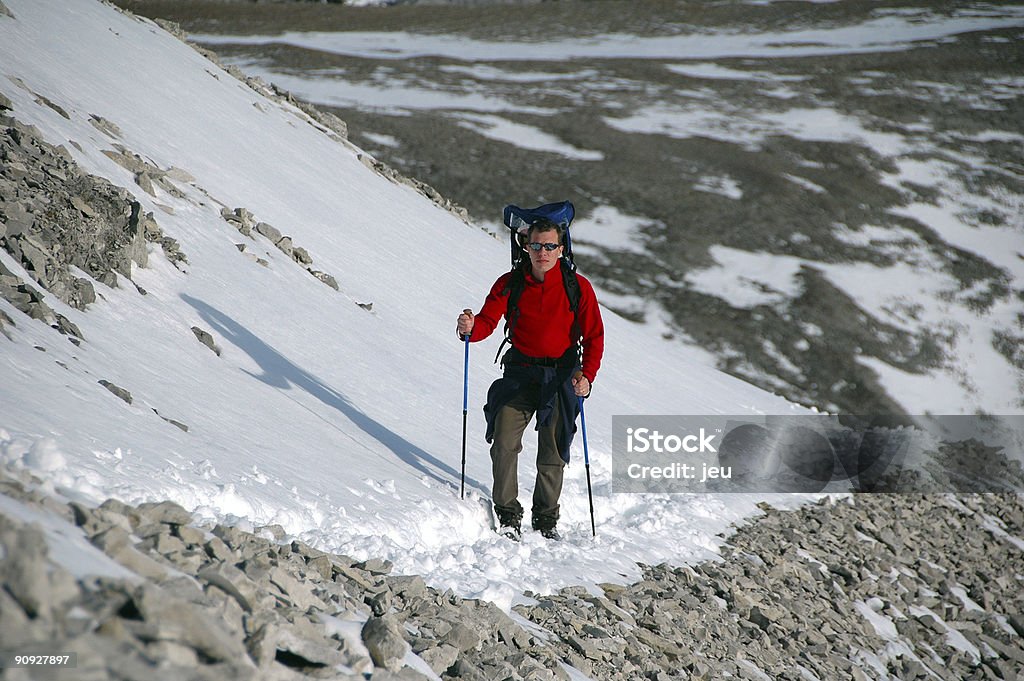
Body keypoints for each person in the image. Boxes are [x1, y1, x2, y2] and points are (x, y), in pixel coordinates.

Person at [457, 218, 604, 540]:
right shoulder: (510, 283)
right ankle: (508, 512)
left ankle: (546, 519)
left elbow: (594, 337)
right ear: (526, 247)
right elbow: (486, 321)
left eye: (550, 246)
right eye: (536, 245)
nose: (542, 252)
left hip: (562, 376)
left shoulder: (578, 287)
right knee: (504, 441)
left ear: (561, 250)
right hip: (520, 373)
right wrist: (470, 329)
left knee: (552, 452)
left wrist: (587, 378)